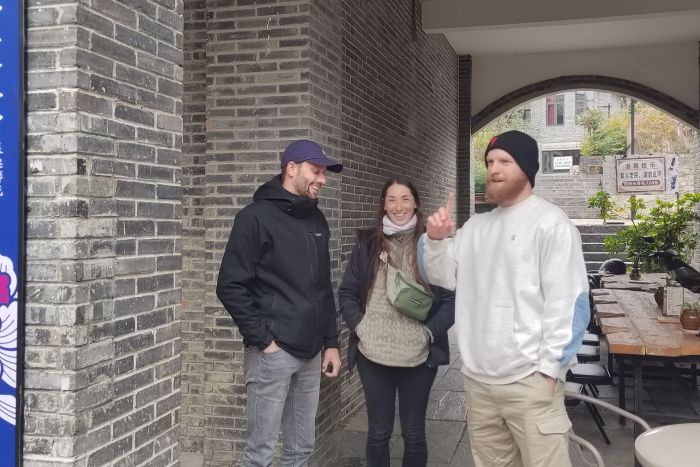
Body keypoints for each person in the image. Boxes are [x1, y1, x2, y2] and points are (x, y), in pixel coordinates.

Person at [419, 130, 589, 467]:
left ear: (527, 167)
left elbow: (570, 303)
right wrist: (436, 241)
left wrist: (549, 372)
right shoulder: (476, 227)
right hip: (478, 382)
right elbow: (441, 276)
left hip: (530, 381)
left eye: (505, 161)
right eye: (490, 162)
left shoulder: (551, 223)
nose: (494, 169)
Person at [216, 139, 343, 467]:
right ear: (291, 168)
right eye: (316, 170)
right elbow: (230, 285)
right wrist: (264, 340)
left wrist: (330, 343)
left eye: (324, 173)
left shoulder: (317, 220)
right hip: (273, 354)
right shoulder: (254, 218)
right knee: (259, 454)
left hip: (311, 353)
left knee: (301, 449)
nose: (323, 179)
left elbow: (322, 287)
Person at [339, 178, 455, 467]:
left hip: (418, 356)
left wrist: (428, 334)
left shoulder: (431, 243)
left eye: (405, 199)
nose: (398, 206)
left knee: (414, 433)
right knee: (378, 432)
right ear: (383, 204)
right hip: (373, 355)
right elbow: (347, 292)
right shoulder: (367, 244)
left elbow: (451, 300)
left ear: (416, 203)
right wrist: (361, 327)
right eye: (391, 199)